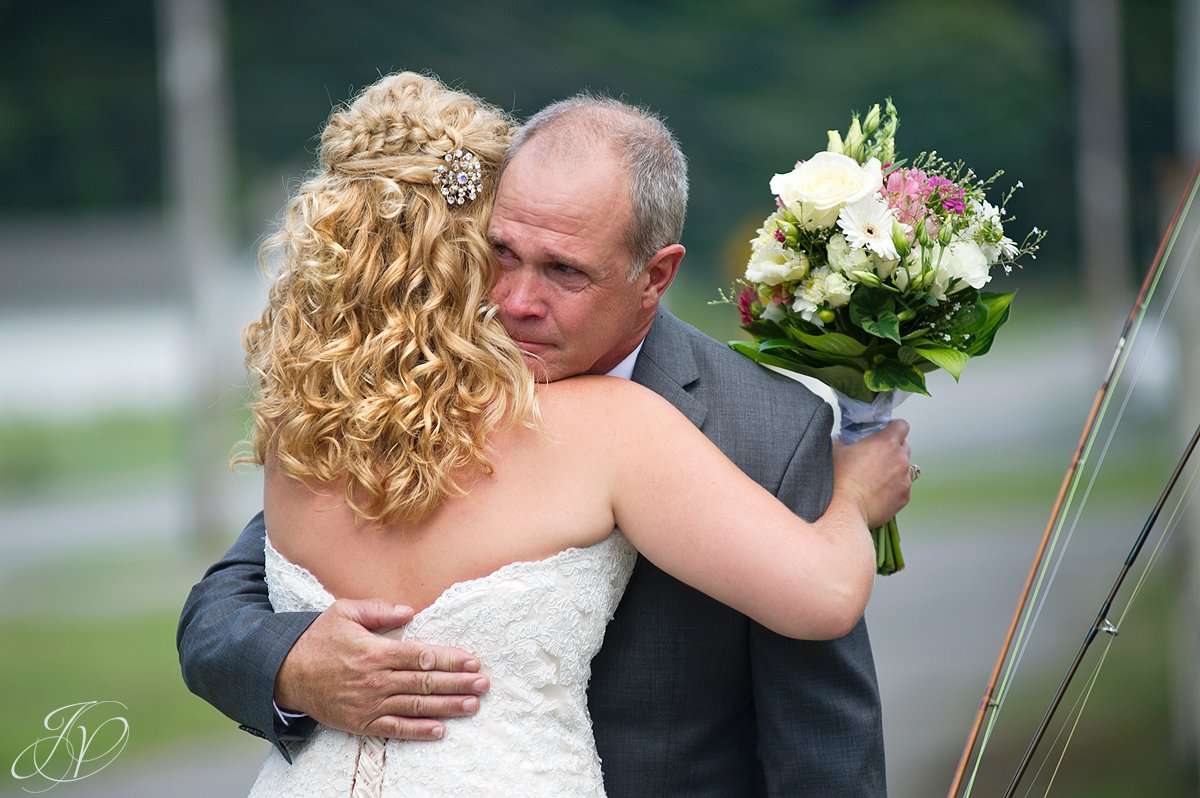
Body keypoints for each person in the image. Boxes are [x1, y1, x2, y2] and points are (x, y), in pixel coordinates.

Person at [179, 72, 908, 797]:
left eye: (565, 271)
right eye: (499, 255)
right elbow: (222, 611)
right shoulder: (366, 422)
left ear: (654, 276)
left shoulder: (772, 427)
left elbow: (823, 737)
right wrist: (292, 668)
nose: (518, 303)